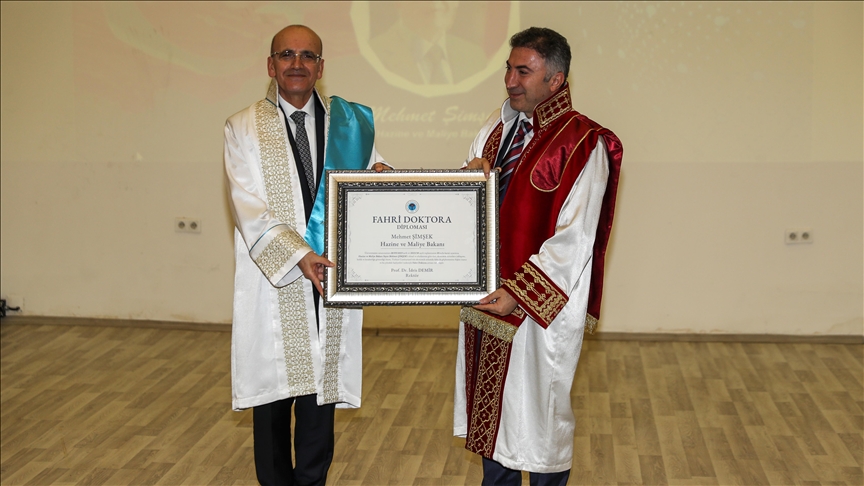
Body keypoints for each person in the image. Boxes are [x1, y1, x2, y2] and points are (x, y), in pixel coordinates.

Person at [454, 27, 623, 484]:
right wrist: (468, 180)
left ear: (555, 79)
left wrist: (518, 292)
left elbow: (575, 239)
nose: (510, 80)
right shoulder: (494, 129)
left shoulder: (583, 143)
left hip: (540, 310)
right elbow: (467, 212)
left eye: (523, 71)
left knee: (539, 422)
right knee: (493, 422)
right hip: (487, 299)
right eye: (508, 69)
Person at [223, 25, 388, 485]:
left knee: (320, 402)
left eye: (308, 56)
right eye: (286, 54)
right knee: (273, 403)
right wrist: (299, 256)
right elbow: (247, 207)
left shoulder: (351, 124)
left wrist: (386, 180)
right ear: (270, 65)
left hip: (332, 277)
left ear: (321, 66)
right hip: (276, 278)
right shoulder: (242, 127)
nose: (297, 64)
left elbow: (373, 178)